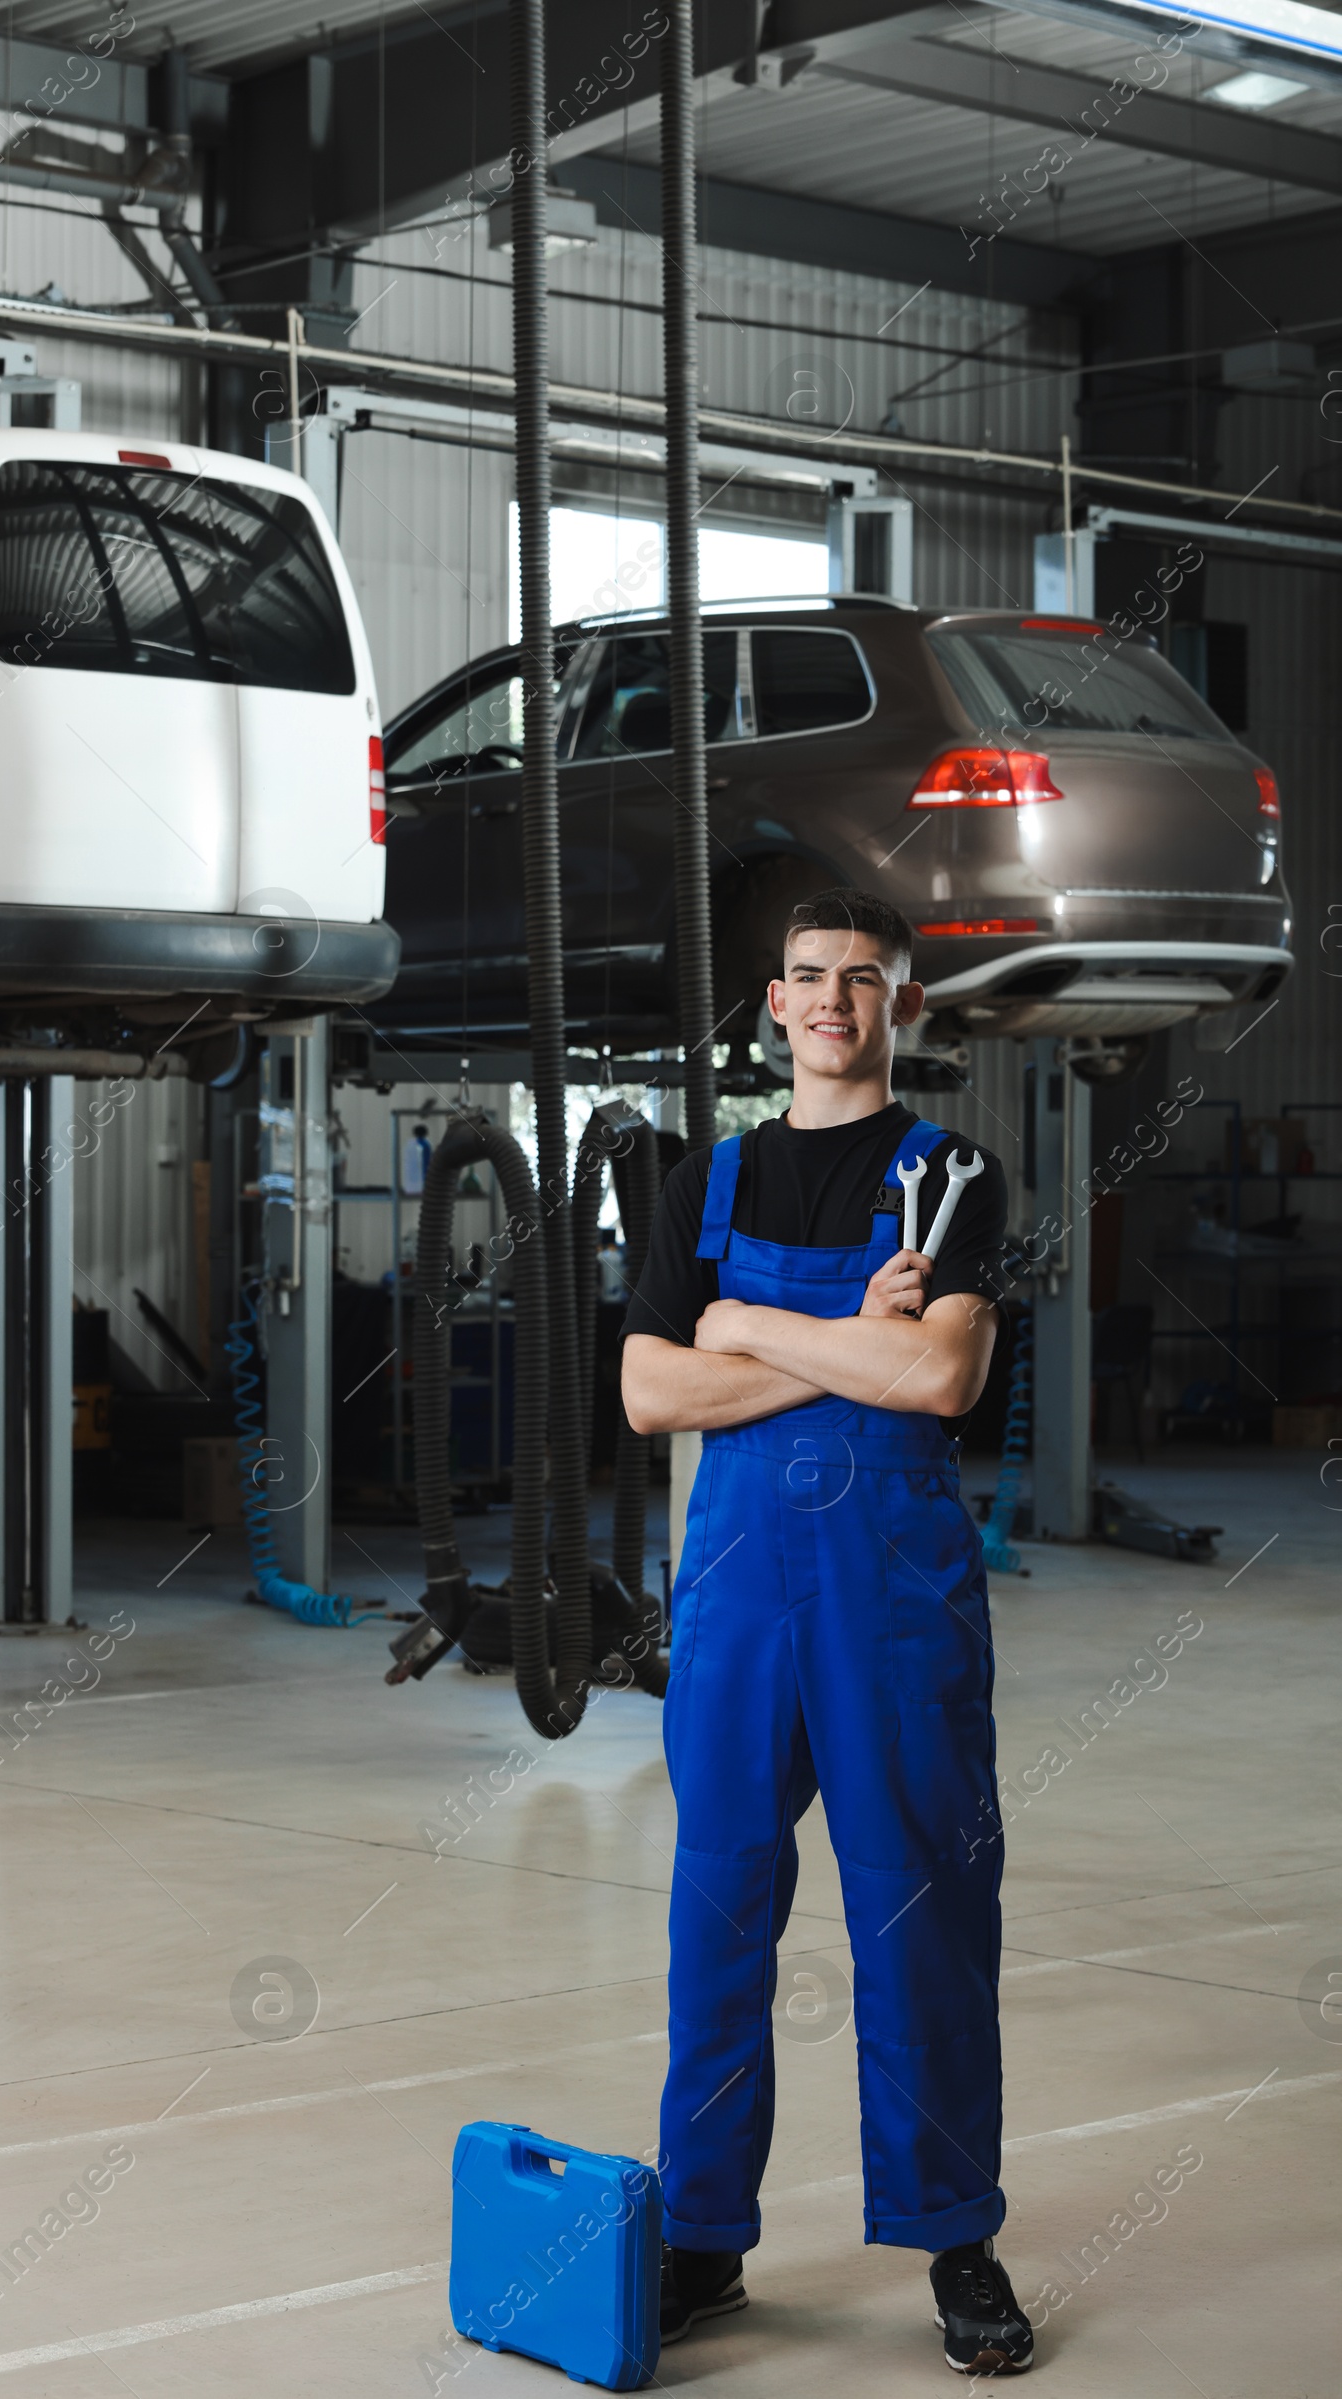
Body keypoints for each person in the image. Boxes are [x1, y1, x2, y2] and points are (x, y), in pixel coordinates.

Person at [622, 889, 1032, 2377]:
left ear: (900, 1005)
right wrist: (843, 1347)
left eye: (864, 980)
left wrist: (741, 1330)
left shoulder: (958, 1178)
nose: (833, 1003)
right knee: (716, 1908)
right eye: (807, 979)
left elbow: (939, 1384)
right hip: (737, 1598)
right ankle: (703, 2240)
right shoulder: (702, 1184)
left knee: (920, 1905)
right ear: (774, 1005)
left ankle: (957, 2237)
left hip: (892, 1602)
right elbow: (649, 1397)